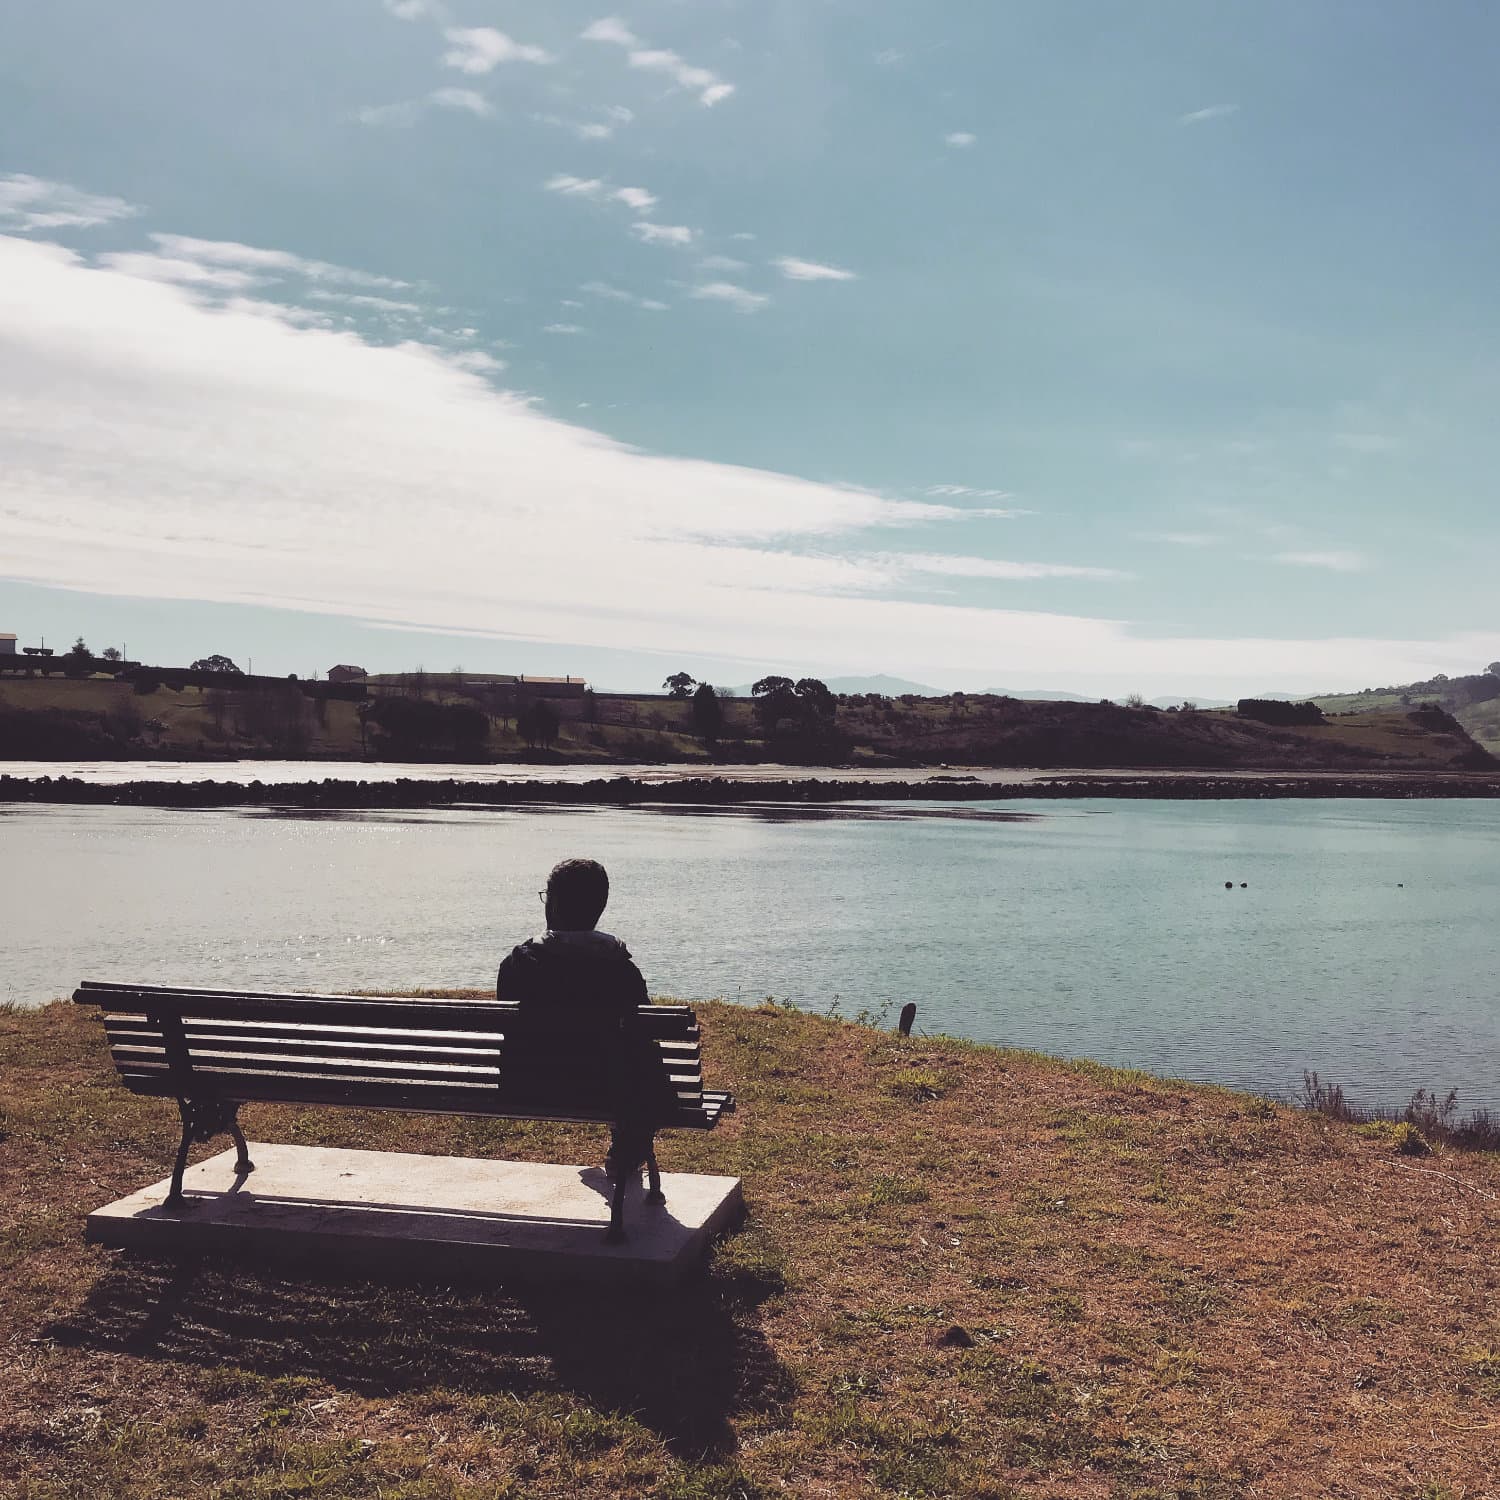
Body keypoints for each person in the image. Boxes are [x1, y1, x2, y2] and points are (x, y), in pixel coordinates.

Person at [496, 858, 667, 1193]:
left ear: (555, 905)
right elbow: (645, 1033)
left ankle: (625, 1149)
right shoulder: (620, 971)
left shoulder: (517, 966)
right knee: (641, 1064)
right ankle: (625, 1151)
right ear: (599, 907)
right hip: (605, 1086)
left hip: (526, 1082)